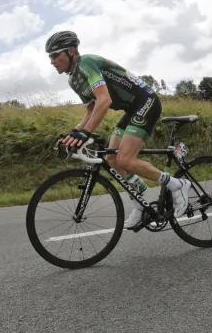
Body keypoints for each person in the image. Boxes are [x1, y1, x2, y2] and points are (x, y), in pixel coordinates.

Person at [45, 30, 192, 228]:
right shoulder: (74, 79)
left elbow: (104, 100)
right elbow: (91, 109)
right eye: (50, 57)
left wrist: (86, 132)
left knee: (125, 159)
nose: (52, 61)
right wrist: (75, 131)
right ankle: (141, 202)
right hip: (131, 110)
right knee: (111, 159)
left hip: (146, 101)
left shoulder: (86, 63)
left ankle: (178, 185)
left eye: (56, 55)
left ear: (71, 51)